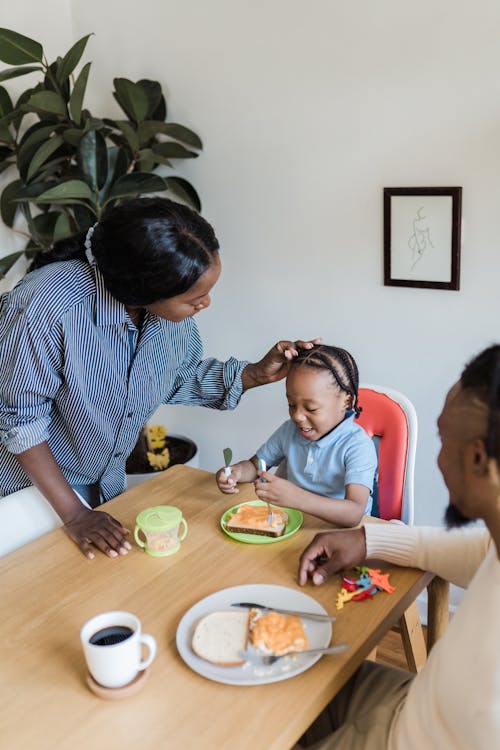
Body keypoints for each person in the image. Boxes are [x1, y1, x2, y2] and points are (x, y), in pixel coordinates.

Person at [0, 196, 319, 559]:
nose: (206, 304)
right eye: (195, 297)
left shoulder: (161, 314)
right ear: (140, 291)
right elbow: (21, 421)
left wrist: (253, 374)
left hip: (105, 486)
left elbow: (176, 375)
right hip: (31, 497)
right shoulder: (45, 305)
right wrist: (74, 513)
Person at [297, 344, 500, 749]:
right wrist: (367, 539)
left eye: (443, 440)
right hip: (411, 703)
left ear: (478, 459)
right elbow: (478, 552)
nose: (438, 461)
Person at [216, 345, 377, 525]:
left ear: (346, 401)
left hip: (338, 534)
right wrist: (235, 473)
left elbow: (354, 513)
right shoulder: (289, 430)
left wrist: (296, 498)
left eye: (311, 408)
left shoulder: (357, 446)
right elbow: (255, 467)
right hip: (293, 524)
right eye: (292, 405)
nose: (297, 416)